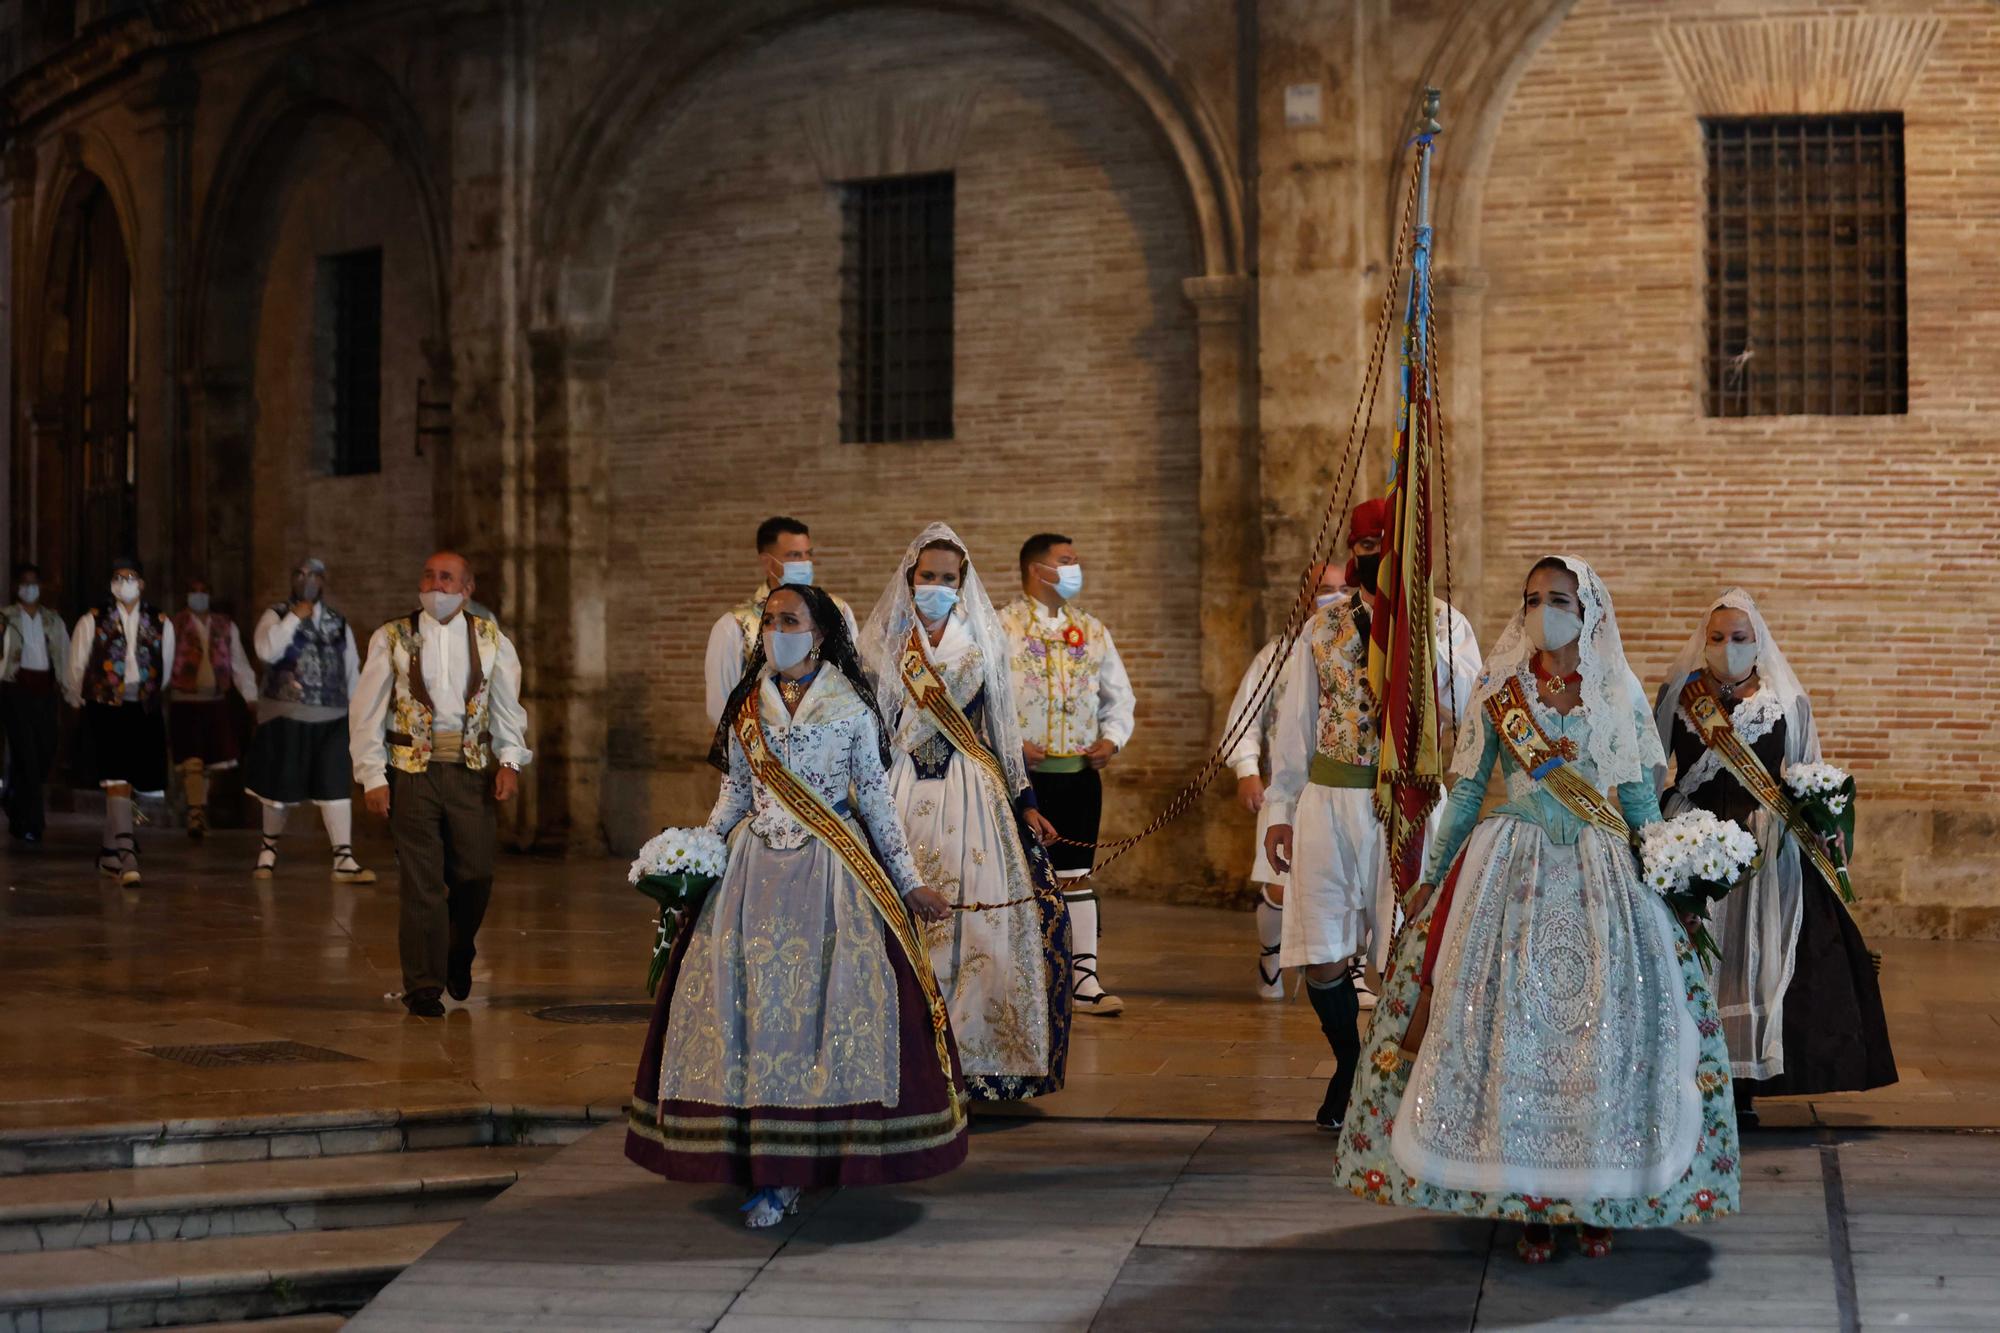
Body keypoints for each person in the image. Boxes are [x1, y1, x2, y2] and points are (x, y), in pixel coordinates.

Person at [1334, 556, 1739, 1263]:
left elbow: (1640, 802)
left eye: (1559, 598)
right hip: (1509, 870)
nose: (1543, 610)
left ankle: (1598, 1195)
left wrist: (1670, 885)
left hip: (1602, 875)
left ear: (1588, 612)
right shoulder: (1503, 691)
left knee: (1603, 1043)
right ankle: (1531, 1204)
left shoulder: (1615, 692)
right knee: (1512, 1039)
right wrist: (1433, 875)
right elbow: (1466, 795)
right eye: (1532, 598)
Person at [626, 582, 966, 1225]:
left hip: (831, 875)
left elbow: (876, 801)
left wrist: (909, 881)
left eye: (789, 619)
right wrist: (693, 858)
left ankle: (811, 1160)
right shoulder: (747, 704)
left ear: (820, 631)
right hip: (750, 881)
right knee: (748, 1019)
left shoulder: (851, 708)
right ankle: (762, 1161)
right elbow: (733, 796)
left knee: (822, 1018)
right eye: (769, 619)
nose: (775, 629)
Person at [1655, 589, 1896, 1127]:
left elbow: (1809, 771)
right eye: (1717, 637)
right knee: (1696, 962)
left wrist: (1828, 824)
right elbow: (1653, 771)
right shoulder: (1678, 695)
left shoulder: (1786, 701)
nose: (1727, 647)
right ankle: (1689, 1078)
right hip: (1694, 844)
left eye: (1739, 638)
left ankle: (1742, 1086)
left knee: (1754, 967)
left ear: (1758, 642)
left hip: (1766, 850)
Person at [858, 523, 1073, 1100]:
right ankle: (903, 1063)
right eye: (927, 576)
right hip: (901, 790)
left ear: (962, 583)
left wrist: (1025, 801)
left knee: (979, 925)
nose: (936, 586)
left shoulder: (983, 640)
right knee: (897, 923)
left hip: (970, 793)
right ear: (910, 579)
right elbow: (873, 732)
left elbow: (1003, 727)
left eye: (948, 578)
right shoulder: (881, 644)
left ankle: (976, 1063)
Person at [351, 551, 533, 1017]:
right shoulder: (390, 637)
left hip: (470, 771)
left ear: (467, 589)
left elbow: (506, 705)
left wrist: (510, 761)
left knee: (475, 874)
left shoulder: (491, 638)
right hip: (411, 773)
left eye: (447, 578)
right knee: (421, 884)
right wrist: (372, 775)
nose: (436, 585)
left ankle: (457, 948)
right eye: (429, 576)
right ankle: (423, 986)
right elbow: (367, 710)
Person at [1261, 563, 1386, 1130]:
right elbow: (1296, 721)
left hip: (1402, 807)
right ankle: (1348, 1061)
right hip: (1328, 797)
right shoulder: (1322, 626)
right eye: (1365, 545)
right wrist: (1280, 806)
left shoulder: (1440, 626)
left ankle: (1390, 1080)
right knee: (1323, 951)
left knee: (1400, 950)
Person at [998, 533, 1135, 1017]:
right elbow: (983, 702)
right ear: (1038, 570)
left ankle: (1084, 980)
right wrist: (1010, 745)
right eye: (1067, 561)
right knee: (1021, 879)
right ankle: (1024, 980)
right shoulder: (1001, 628)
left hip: (1078, 776)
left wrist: (1113, 738)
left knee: (1077, 876)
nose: (1076, 568)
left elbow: (1120, 697)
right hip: (1021, 779)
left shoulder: (1092, 630)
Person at [1223, 562, 1344, 1000]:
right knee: (1278, 883)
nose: (1335, 597)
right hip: (1288, 791)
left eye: (1343, 588)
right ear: (1304, 599)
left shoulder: (1366, 651)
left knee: (1347, 882)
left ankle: (1347, 972)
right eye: (1324, 590)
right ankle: (1270, 958)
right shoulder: (1278, 655)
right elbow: (1246, 717)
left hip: (1342, 789)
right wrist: (1247, 771)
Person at [244, 559, 372, 881]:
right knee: (279, 788)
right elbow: (266, 651)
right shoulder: (276, 614)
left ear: (323, 581)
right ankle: (268, 847)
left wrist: (358, 715)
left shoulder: (337, 621)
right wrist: (292, 619)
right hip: (287, 714)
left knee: (335, 785)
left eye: (314, 575)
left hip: (332, 716)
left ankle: (343, 856)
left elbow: (351, 668)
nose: (307, 580)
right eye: (300, 574)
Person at [67, 558, 173, 886]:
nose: (123, 582)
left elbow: (166, 665)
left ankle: (109, 852)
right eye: (117, 577)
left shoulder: (160, 621)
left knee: (134, 780)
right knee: (116, 778)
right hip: (105, 705)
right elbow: (78, 662)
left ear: (141, 583)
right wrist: (75, 698)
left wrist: (150, 691)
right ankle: (127, 853)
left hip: (141, 705)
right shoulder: (93, 619)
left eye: (130, 577)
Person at [703, 516, 857, 725]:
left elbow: (854, 676)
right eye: (794, 555)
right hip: (763, 746)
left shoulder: (837, 611)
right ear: (768, 562)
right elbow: (720, 705)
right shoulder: (735, 625)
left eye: (807, 555)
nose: (804, 563)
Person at [168, 579, 258, 838]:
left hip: (215, 700)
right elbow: (164, 659)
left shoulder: (225, 626)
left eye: (202, 592)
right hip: (185, 699)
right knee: (192, 758)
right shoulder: (175, 625)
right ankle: (195, 811)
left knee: (209, 761)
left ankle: (199, 808)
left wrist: (250, 695)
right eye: (193, 592)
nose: (198, 596)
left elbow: (238, 662)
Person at [1, 563, 76, 842]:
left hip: (45, 692)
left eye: (34, 582)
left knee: (45, 748)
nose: (29, 588)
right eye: (25, 583)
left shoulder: (52, 621)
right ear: (16, 587)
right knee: (26, 754)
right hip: (15, 691)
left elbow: (65, 655)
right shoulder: (5, 619)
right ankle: (34, 821)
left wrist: (70, 691)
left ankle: (13, 798)